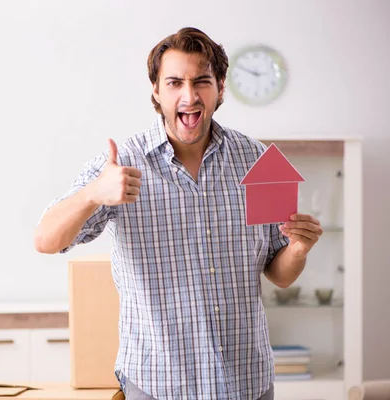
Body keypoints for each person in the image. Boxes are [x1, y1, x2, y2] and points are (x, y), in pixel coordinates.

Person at [34, 27, 323, 400]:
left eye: (201, 81)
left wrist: (298, 248)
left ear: (220, 87)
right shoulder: (121, 165)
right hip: (157, 385)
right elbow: (45, 240)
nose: (189, 96)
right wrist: (93, 194)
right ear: (156, 90)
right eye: (174, 83)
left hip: (248, 384)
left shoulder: (257, 160)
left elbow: (278, 274)